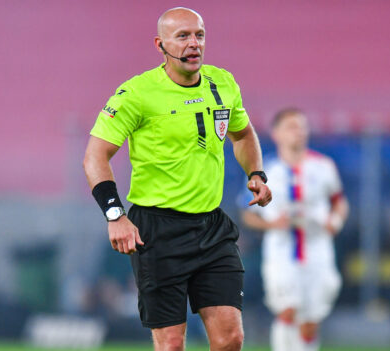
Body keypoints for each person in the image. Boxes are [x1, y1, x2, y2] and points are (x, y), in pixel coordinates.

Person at [82, 7, 272, 351]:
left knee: (231, 339)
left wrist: (256, 173)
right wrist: (115, 215)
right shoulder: (137, 93)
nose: (193, 43)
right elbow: (95, 156)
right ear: (160, 44)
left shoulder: (223, 83)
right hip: (158, 231)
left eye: (199, 35)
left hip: (212, 228)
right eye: (182, 36)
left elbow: (243, 134)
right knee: (171, 344)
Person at [241, 108, 348, 351]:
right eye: (291, 126)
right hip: (281, 251)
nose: (298, 132)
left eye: (301, 126)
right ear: (276, 133)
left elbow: (339, 202)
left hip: (317, 249)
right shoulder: (266, 170)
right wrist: (272, 224)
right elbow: (247, 214)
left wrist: (335, 221)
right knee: (287, 310)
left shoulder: (323, 166)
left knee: (310, 321)